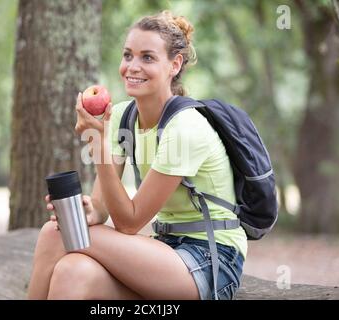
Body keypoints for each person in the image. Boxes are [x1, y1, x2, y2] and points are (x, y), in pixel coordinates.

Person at [27, 10, 247, 300]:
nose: (132, 66)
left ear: (174, 64)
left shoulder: (186, 127)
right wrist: (87, 211)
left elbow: (128, 223)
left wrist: (98, 145)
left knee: (54, 234)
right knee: (73, 271)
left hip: (211, 259)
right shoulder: (121, 116)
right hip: (163, 249)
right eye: (128, 55)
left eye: (147, 57)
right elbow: (104, 208)